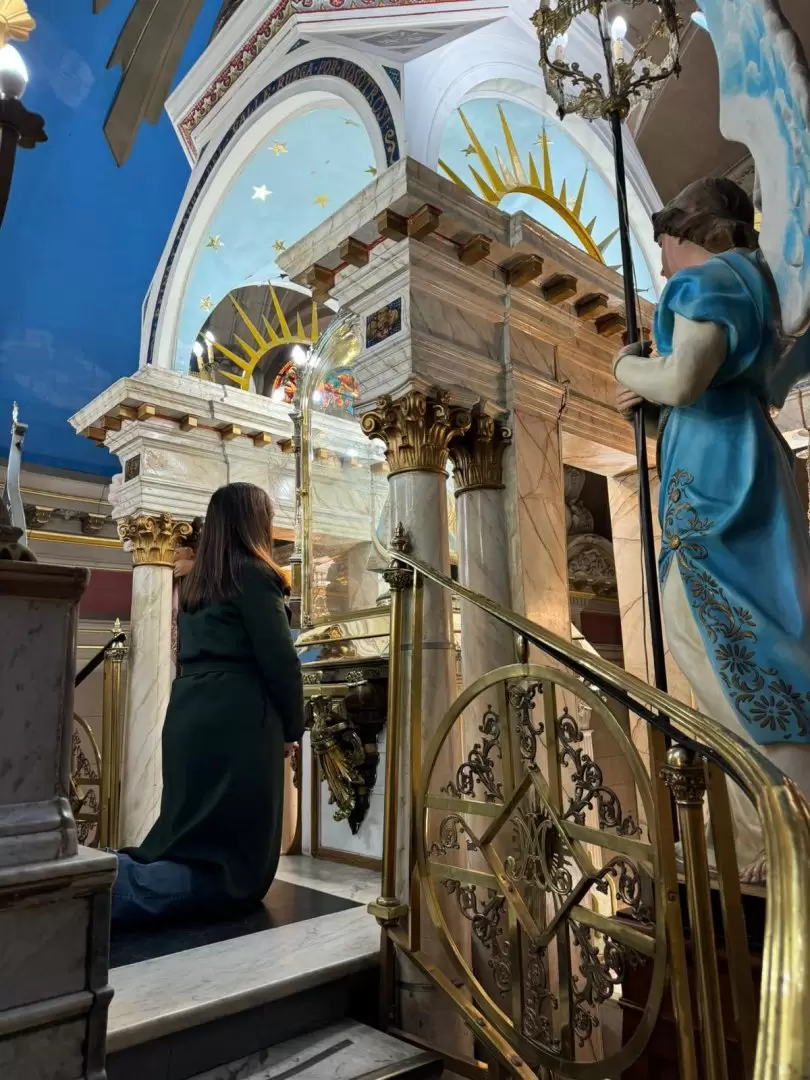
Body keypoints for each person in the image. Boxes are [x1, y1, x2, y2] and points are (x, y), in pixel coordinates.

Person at [614, 178, 810, 882]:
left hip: (721, 479)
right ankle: (762, 841)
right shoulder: (761, 285)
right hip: (748, 459)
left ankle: (785, 839)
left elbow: (685, 380)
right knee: (756, 637)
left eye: (662, 247)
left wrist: (628, 362)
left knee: (729, 643)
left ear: (682, 232)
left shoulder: (711, 279)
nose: (662, 264)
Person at [112, 483, 305, 924]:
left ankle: (108, 872)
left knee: (187, 833)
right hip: (237, 717)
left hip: (188, 712)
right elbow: (280, 662)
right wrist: (293, 728)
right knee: (232, 867)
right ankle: (109, 886)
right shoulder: (255, 574)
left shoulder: (196, 583)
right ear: (255, 522)